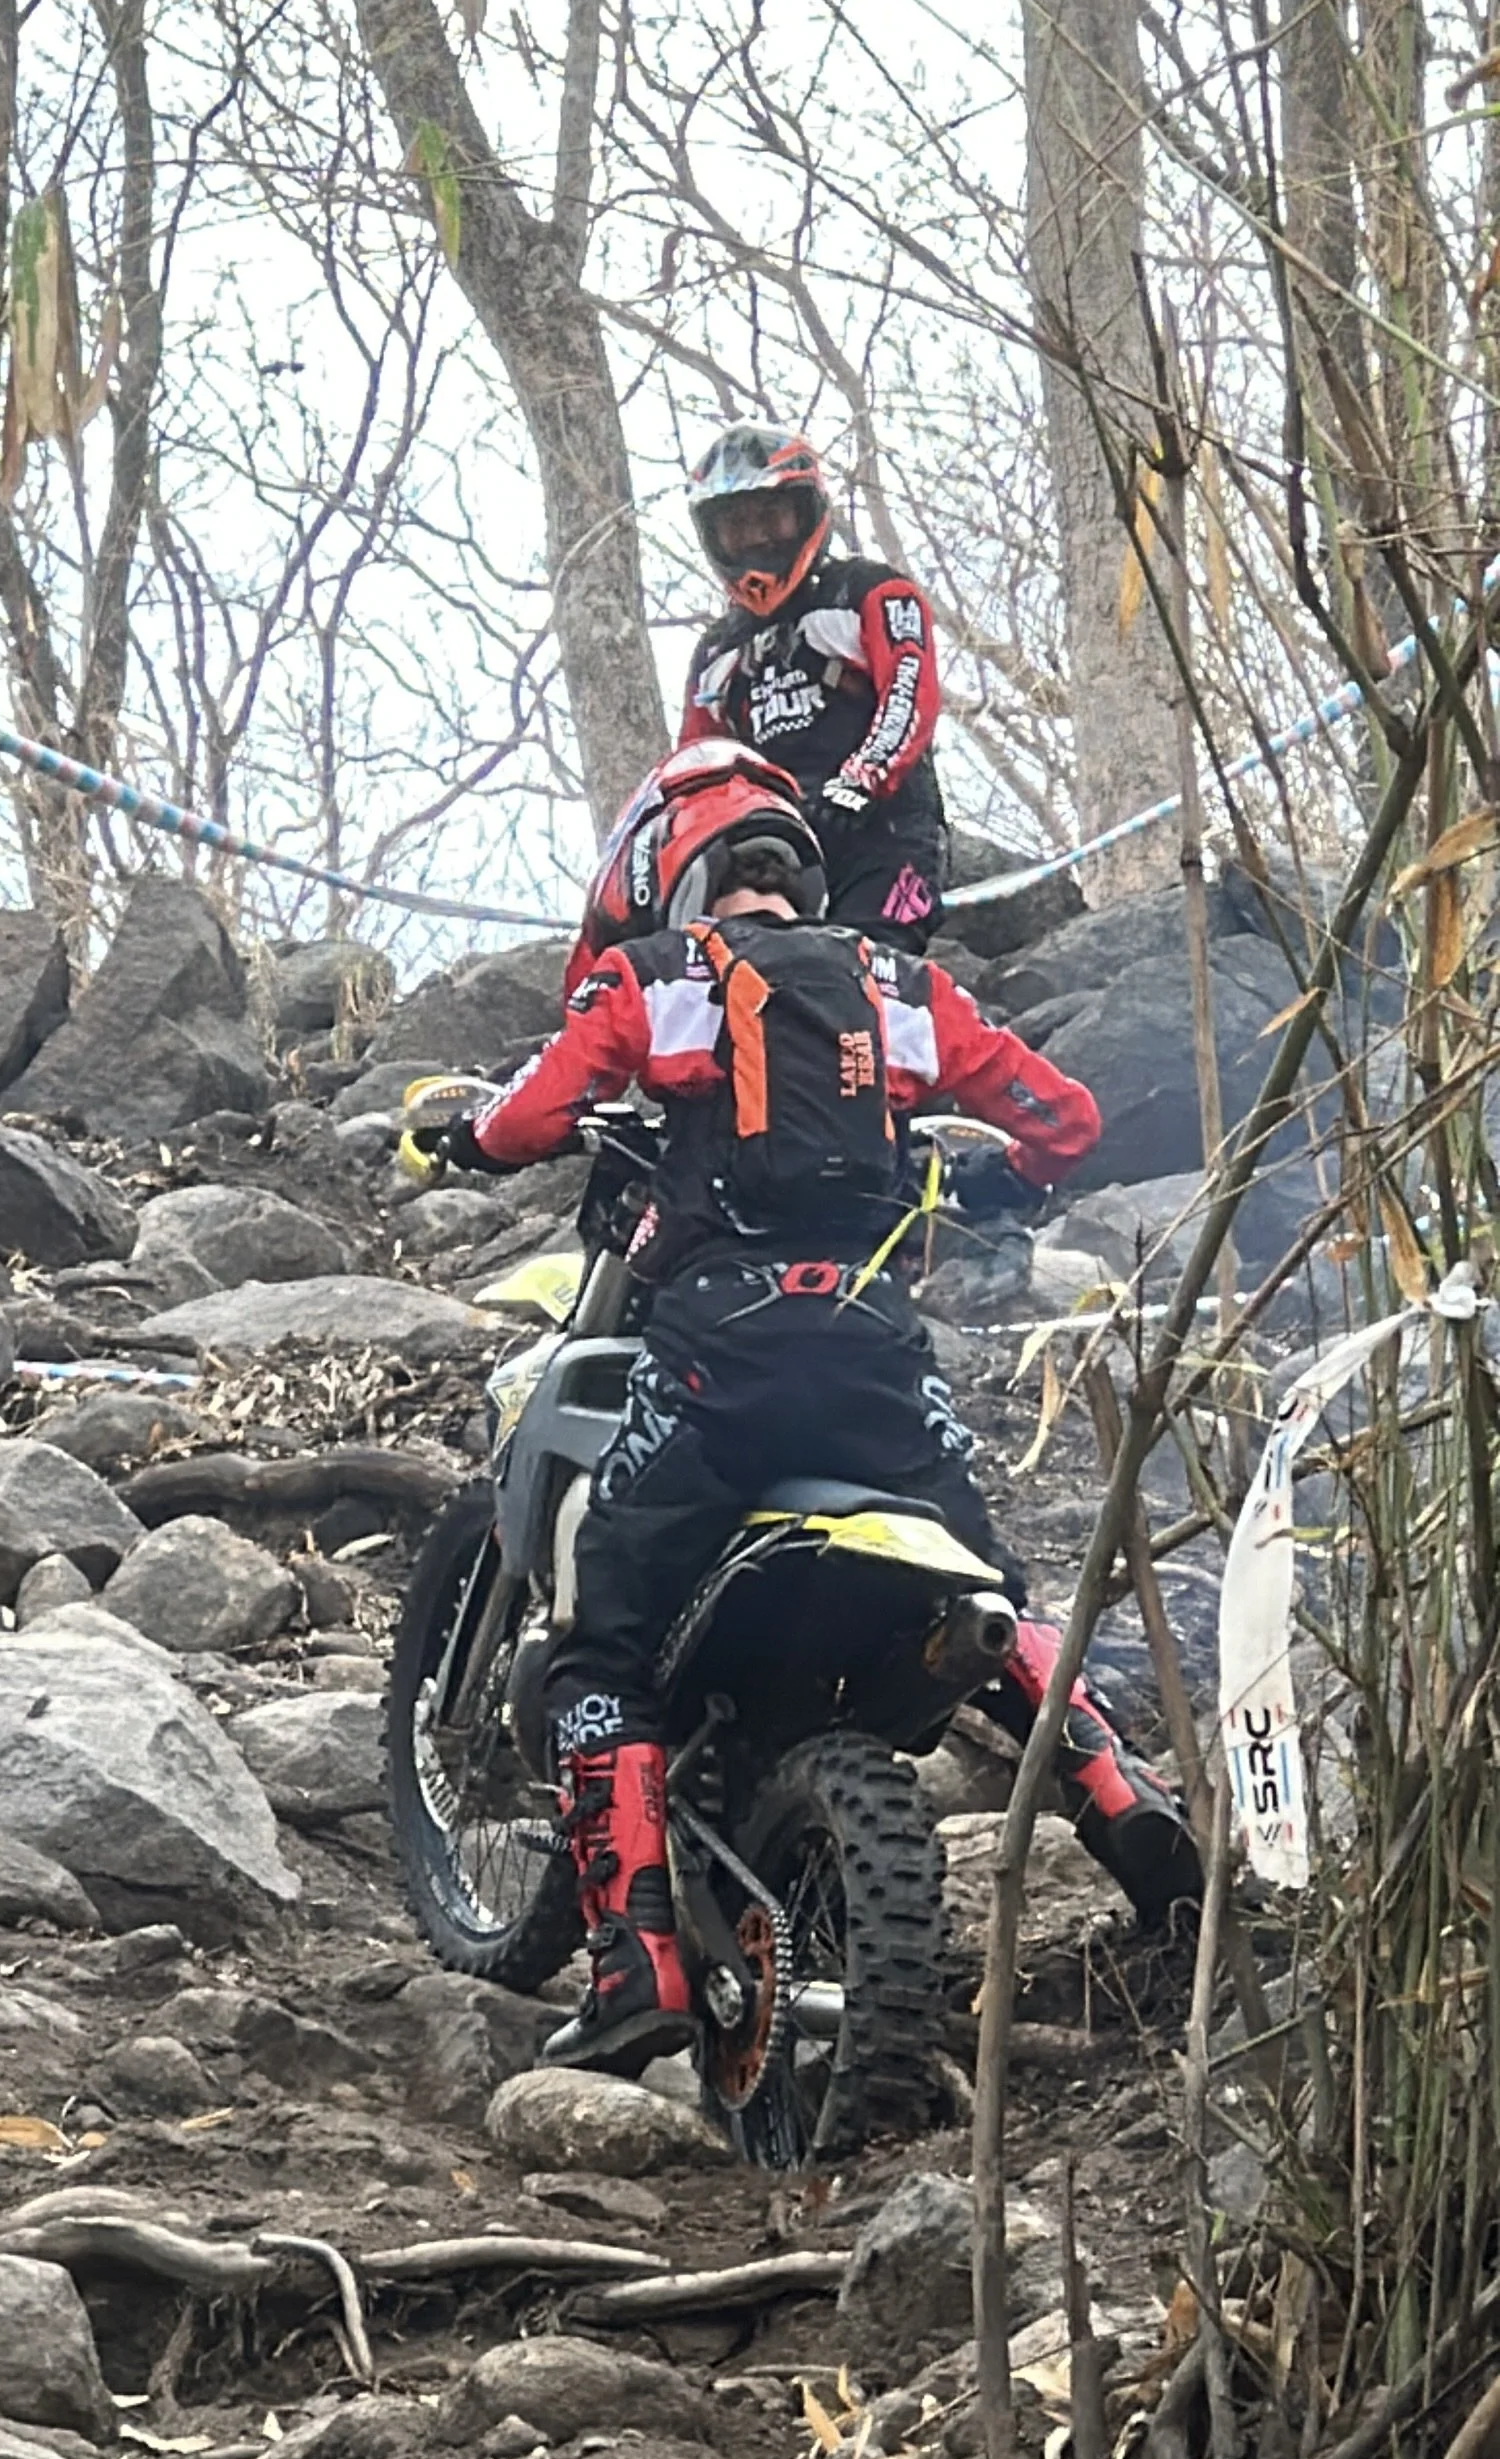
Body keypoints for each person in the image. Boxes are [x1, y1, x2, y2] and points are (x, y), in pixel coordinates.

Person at [424, 745, 1201, 2071]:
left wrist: (470, 1129)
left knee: (595, 1646)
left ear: (679, 875)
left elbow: (529, 1118)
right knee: (994, 1600)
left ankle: (637, 1965)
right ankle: (1129, 1809)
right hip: (879, 1363)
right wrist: (995, 1184)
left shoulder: (659, 980)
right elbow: (1064, 1123)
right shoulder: (903, 989)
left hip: (721, 1363)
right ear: (800, 872)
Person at [679, 423, 948, 950]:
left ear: (806, 512)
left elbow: (909, 697)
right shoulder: (716, 653)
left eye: (770, 520)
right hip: (776, 856)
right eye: (737, 527)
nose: (756, 542)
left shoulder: (871, 591)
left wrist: (859, 783)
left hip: (886, 832)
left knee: (868, 970)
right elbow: (696, 770)